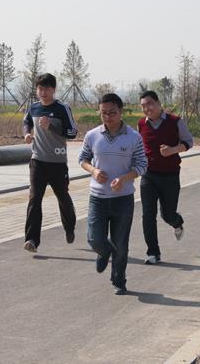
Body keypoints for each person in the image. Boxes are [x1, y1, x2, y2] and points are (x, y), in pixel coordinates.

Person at [79, 93, 147, 295]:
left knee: (121, 243)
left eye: (112, 113)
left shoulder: (134, 137)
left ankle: (119, 280)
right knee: (94, 239)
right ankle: (104, 251)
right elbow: (83, 159)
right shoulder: (92, 136)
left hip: (123, 199)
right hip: (98, 198)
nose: (108, 117)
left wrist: (124, 178)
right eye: (103, 113)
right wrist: (94, 171)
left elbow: (142, 165)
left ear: (121, 112)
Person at [22, 73, 78, 253]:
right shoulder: (34, 107)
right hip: (37, 161)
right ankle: (32, 240)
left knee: (62, 196)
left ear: (53, 90)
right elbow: (26, 121)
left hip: (57, 162)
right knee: (34, 199)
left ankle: (69, 227)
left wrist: (51, 126)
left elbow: (73, 133)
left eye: (47, 88)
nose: (43, 92)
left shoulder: (62, 108)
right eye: (40, 88)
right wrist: (27, 133)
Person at [138, 91, 194, 265]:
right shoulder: (141, 124)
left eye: (150, 104)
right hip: (148, 175)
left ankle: (177, 222)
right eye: (143, 106)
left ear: (158, 103)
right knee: (148, 215)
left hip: (170, 175)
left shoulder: (175, 121)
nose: (147, 108)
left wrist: (172, 150)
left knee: (167, 214)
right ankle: (153, 253)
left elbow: (188, 142)